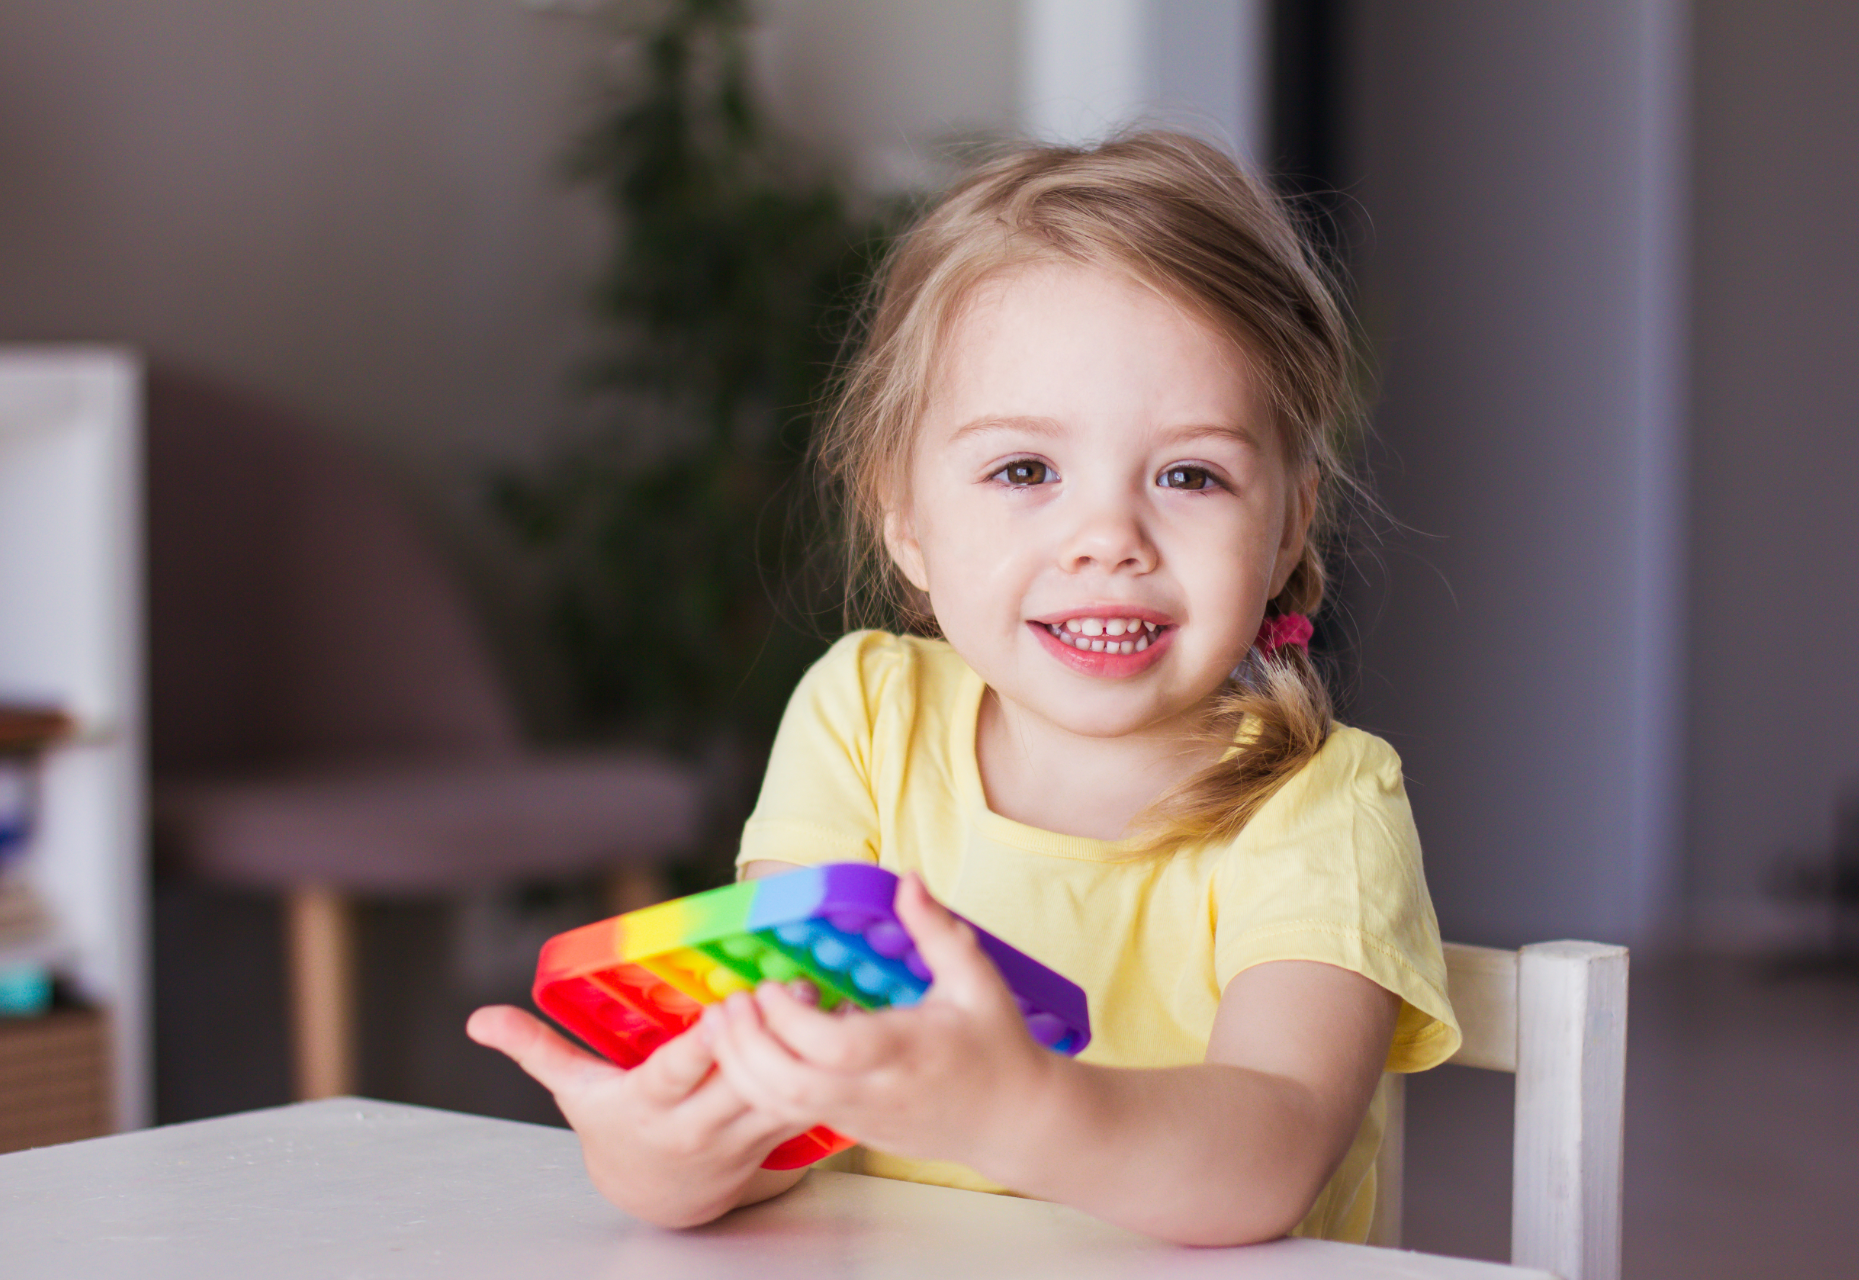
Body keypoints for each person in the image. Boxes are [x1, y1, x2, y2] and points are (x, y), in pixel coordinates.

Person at [468, 131, 1460, 1247]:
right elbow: (787, 1107)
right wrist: (662, 1154)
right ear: (905, 514)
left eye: (1190, 473)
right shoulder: (862, 719)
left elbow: (1269, 1156)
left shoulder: (1323, 805)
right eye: (1024, 469)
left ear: (1287, 525)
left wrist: (1025, 1108)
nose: (1106, 538)